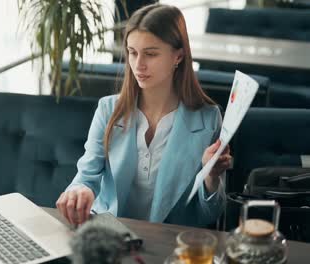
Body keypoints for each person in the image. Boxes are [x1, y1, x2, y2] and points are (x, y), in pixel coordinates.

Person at [56, 3, 232, 228]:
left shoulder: (208, 119)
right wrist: (78, 191)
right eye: (132, 52)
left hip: (169, 245)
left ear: (178, 56)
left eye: (150, 54)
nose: (138, 65)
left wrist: (211, 177)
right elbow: (86, 177)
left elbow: (209, 215)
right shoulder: (108, 110)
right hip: (110, 237)